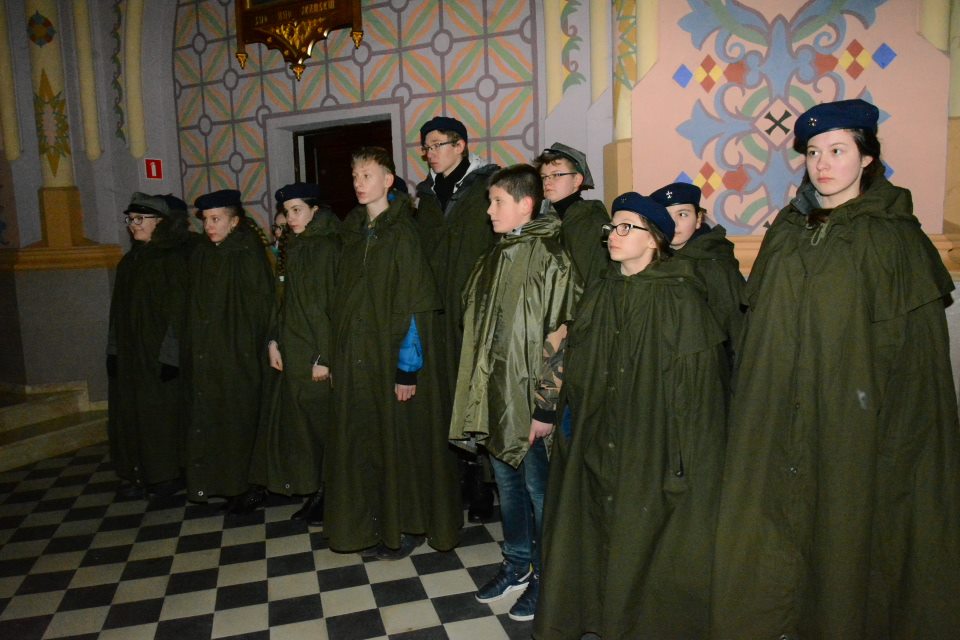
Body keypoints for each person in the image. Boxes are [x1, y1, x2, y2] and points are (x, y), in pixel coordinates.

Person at [711, 99, 960, 638]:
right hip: (781, 410)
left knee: (845, 523)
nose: (822, 163)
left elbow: (918, 361)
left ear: (867, 158)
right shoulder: (787, 230)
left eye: (838, 150)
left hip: (854, 416)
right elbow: (759, 330)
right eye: (813, 152)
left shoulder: (893, 237)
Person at [533, 193, 727, 639]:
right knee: (593, 535)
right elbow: (576, 364)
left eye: (626, 227)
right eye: (611, 227)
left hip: (652, 443)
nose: (613, 235)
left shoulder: (681, 296)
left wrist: (684, 460)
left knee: (640, 542)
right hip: (597, 436)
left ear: (654, 239)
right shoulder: (602, 289)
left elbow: (699, 394)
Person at [450, 164, 580, 622]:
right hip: (498, 397)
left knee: (539, 492)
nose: (489, 211)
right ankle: (518, 563)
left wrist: (545, 406)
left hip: (532, 403)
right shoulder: (495, 256)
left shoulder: (551, 258)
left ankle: (547, 577)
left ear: (526, 205)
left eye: (497, 202)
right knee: (507, 486)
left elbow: (561, 335)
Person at [324, 146, 461, 559]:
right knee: (363, 442)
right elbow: (340, 302)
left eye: (367, 175)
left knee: (398, 443)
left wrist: (407, 367)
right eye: (355, 177)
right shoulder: (351, 235)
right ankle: (369, 524)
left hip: (391, 358)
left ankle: (407, 526)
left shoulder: (403, 233)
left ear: (387, 180)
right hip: (357, 359)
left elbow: (416, 305)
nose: (359, 183)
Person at [415, 116, 500, 522]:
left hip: (475, 308)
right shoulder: (425, 196)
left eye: (437, 145)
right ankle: (455, 478)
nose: (430, 154)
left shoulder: (488, 186)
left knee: (476, 394)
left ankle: (483, 484)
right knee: (446, 395)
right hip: (437, 311)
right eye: (426, 148)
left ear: (460, 145)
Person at [248, 183, 340, 526]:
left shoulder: (328, 247)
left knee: (322, 428)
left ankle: (328, 494)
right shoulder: (293, 246)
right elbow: (281, 301)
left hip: (315, 355)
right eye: (287, 212)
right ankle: (314, 490)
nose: (291, 218)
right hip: (293, 349)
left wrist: (325, 357)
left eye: (297, 210)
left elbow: (334, 305)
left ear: (315, 210)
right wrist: (273, 341)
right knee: (302, 429)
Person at [183, 189, 275, 514]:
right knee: (214, 420)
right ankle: (219, 483)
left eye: (216, 219)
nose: (209, 226)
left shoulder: (247, 254)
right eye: (206, 220)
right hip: (209, 353)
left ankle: (247, 486)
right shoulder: (203, 254)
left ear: (234, 222)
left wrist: (249, 349)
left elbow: (261, 307)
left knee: (240, 420)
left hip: (239, 354)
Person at [107, 192, 194, 499]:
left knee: (160, 416)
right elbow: (117, 312)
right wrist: (113, 350)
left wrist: (171, 355)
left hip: (158, 356)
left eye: (140, 219)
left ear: (161, 222)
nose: (134, 225)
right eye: (130, 219)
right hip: (132, 355)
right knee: (131, 414)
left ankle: (166, 475)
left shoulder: (172, 260)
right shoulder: (129, 262)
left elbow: (179, 313)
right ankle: (137, 472)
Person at [649, 182, 744, 373]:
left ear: (699, 218)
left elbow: (735, 328)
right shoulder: (650, 262)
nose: (674, 224)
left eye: (683, 214)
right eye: (666, 216)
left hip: (707, 368)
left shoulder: (715, 265)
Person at [533, 142, 609, 286]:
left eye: (556, 175)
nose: (547, 182)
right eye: (543, 177)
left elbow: (596, 281)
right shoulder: (542, 220)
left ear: (577, 180)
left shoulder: (589, 222)